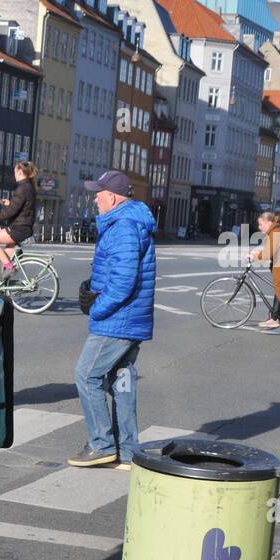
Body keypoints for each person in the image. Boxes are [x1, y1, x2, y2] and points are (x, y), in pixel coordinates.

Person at [69, 170, 156, 470]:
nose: (95, 197)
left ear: (114, 197)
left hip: (119, 318)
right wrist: (92, 285)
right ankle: (129, 452)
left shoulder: (123, 225)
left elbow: (123, 280)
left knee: (86, 374)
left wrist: (97, 307)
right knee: (122, 381)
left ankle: (101, 445)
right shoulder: (127, 221)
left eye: (99, 192)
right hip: (130, 317)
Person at [0, 161, 37, 279]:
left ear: (19, 172)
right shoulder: (28, 186)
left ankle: (10, 267)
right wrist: (10, 203)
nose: (14, 175)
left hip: (18, 228)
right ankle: (3, 288)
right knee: (6, 255)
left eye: (15, 172)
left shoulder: (22, 188)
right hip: (23, 226)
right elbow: (22, 207)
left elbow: (10, 213)